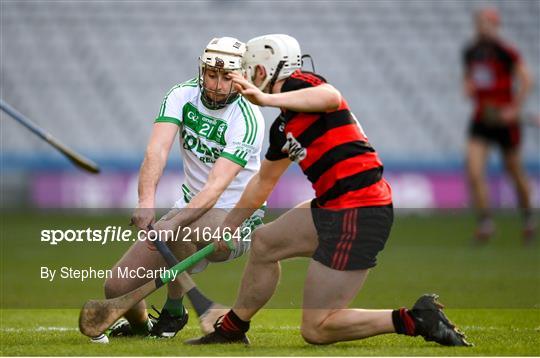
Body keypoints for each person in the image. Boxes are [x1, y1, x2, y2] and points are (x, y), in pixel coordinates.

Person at [186, 34, 471, 346]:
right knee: (265, 243)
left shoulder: (300, 83)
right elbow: (262, 183)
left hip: (358, 210)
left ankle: (416, 319)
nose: (244, 78)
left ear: (263, 70)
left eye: (248, 69)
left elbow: (331, 96)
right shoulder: (282, 127)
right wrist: (227, 228)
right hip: (333, 206)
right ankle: (231, 329)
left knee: (317, 329)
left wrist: (266, 99)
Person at [103, 37, 265, 338]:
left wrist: (174, 221)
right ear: (201, 70)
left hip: (233, 220)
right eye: (210, 74)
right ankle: (143, 329)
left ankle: (173, 310)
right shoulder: (181, 95)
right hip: (190, 208)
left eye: (226, 77)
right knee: (116, 286)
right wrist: (146, 200)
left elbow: (216, 187)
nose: (216, 84)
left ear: (240, 76)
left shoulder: (248, 118)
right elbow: (157, 152)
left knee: (181, 229)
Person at [463, 7, 535, 244]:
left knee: (514, 170)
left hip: (504, 121)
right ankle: (485, 222)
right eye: (480, 23)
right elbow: (468, 81)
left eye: (488, 23)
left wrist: (513, 108)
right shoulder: (471, 52)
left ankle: (527, 217)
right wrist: (468, 88)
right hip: (483, 118)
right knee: (474, 170)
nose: (483, 27)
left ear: (495, 26)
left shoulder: (506, 52)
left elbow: (526, 79)